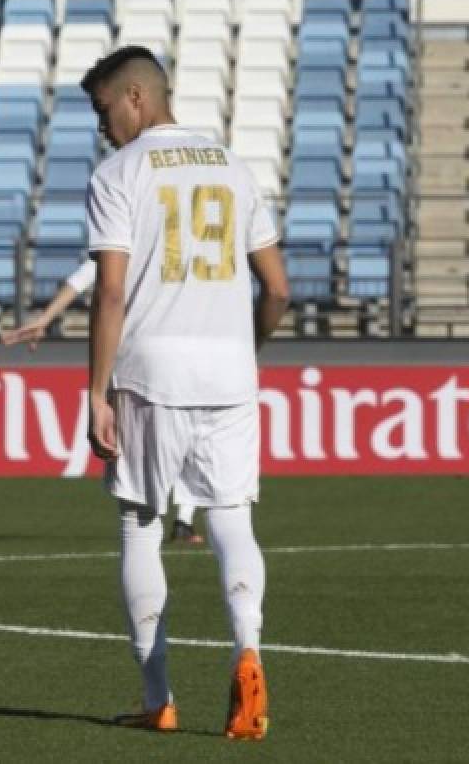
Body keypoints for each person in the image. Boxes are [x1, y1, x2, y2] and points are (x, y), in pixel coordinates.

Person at [81, 46, 290, 740]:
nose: (102, 125)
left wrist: (96, 391)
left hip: (152, 373)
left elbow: (110, 291)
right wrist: (242, 350)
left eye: (105, 108)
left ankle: (159, 696)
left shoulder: (118, 172)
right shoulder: (232, 164)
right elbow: (280, 290)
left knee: (140, 523)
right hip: (230, 372)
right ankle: (249, 649)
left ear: (136, 97)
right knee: (232, 519)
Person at [0, 258, 204, 546]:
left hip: (139, 365)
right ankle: (180, 520)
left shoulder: (128, 243)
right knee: (189, 448)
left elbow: (83, 278)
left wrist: (47, 317)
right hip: (172, 362)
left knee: (153, 466)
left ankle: (176, 520)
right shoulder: (169, 241)